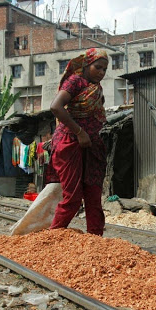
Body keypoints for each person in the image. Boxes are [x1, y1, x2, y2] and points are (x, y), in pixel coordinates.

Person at [49, 47, 109, 236]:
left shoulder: (96, 89)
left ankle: (95, 240)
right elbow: (56, 107)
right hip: (70, 142)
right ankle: (52, 239)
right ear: (86, 64)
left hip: (92, 146)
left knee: (93, 196)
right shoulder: (75, 81)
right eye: (97, 67)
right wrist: (80, 132)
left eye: (104, 70)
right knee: (73, 197)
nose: (101, 73)